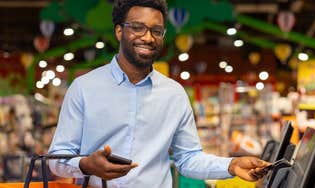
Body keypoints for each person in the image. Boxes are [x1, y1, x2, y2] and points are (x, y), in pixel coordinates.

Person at [48, 0, 270, 187]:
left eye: (156, 31)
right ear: (119, 31)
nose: (148, 37)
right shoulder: (84, 88)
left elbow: (188, 159)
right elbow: (56, 159)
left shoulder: (174, 95)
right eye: (137, 27)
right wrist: (86, 165)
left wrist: (231, 165)